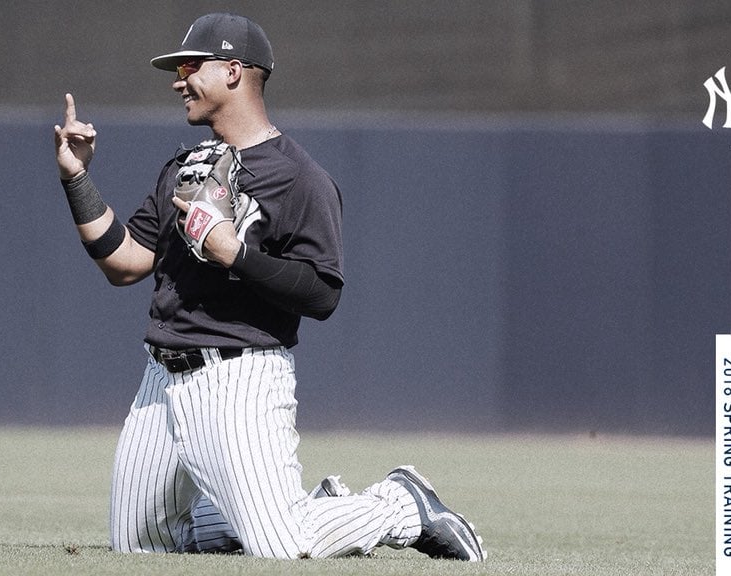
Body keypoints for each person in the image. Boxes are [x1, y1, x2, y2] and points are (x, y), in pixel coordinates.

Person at [52, 12, 486, 561]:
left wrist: (234, 253)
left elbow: (323, 295)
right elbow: (124, 263)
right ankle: (302, 505)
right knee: (139, 545)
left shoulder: (300, 178)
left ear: (234, 71)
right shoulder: (183, 169)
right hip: (159, 380)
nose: (178, 79)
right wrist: (76, 178)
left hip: (240, 376)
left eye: (190, 66)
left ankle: (401, 504)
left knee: (283, 545)